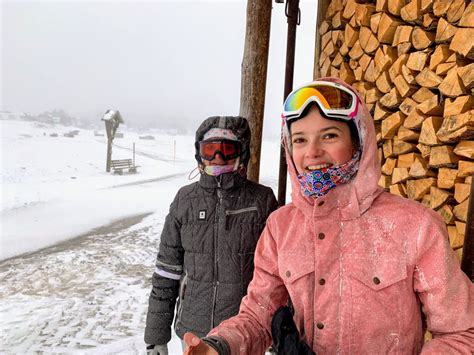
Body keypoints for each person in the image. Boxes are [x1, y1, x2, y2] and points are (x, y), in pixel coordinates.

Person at [183, 78, 474, 354]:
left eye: (330, 135)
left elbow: (462, 332)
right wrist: (219, 346)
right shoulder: (281, 227)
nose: (312, 152)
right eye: (299, 140)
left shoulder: (416, 227)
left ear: (358, 141)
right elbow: (258, 316)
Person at [144, 115, 278, 355]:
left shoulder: (261, 200)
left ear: (242, 152)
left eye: (227, 150)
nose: (217, 157)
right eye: (210, 149)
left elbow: (279, 275)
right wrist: (156, 338)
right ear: (199, 154)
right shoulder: (185, 201)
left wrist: (279, 331)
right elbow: (166, 271)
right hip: (193, 331)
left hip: (245, 332)